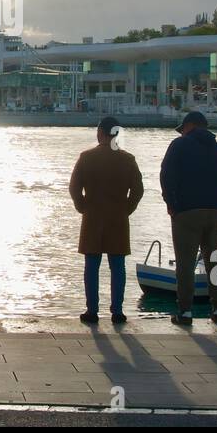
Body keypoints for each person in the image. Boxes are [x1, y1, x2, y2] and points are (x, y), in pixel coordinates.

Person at [69, 117, 144, 325]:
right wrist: (126, 209)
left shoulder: (86, 157)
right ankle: (117, 311)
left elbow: (74, 187)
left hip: (92, 218)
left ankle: (92, 310)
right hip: (118, 219)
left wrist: (82, 206)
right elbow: (138, 190)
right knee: (118, 266)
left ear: (100, 133)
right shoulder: (128, 159)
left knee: (91, 266)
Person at [159, 111, 217, 326]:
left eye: (183, 129)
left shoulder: (179, 146)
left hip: (187, 212)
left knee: (185, 263)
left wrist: (171, 203)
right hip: (215, 211)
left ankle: (185, 311)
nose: (182, 133)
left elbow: (166, 175)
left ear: (190, 126)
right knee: (215, 261)